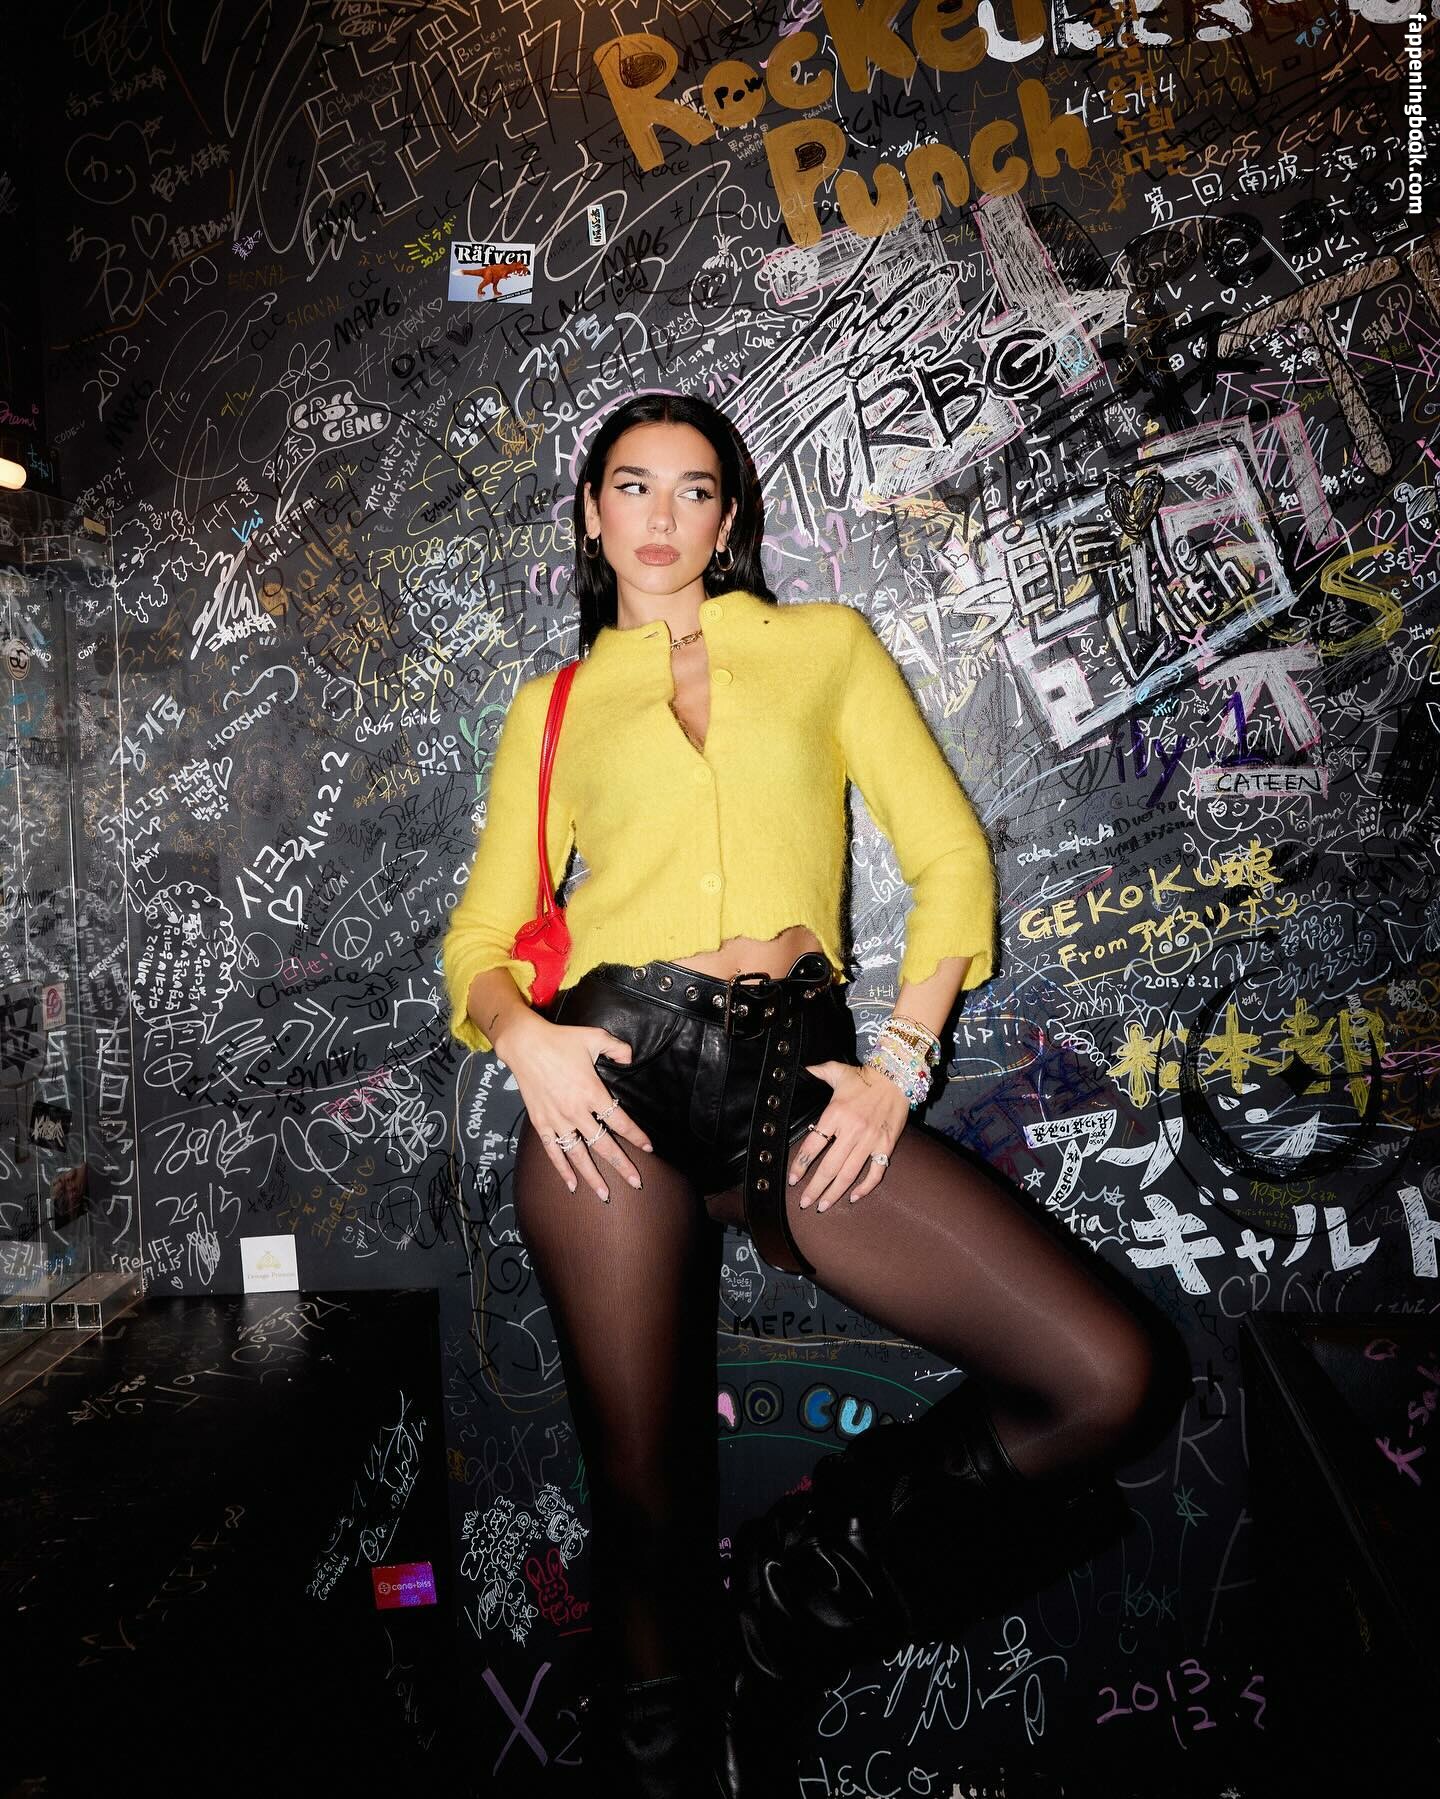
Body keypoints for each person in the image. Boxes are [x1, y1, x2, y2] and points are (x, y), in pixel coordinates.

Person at [441, 392, 1180, 1796]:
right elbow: (479, 937)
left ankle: (788, 1601)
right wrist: (521, 1038)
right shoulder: (555, 707)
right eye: (633, 486)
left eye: (694, 489)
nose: (662, 517)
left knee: (1107, 1377)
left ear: (730, 517)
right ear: (592, 514)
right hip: (612, 1078)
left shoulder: (822, 648)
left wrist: (901, 1061)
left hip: (798, 1079)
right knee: (642, 1508)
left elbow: (951, 860)